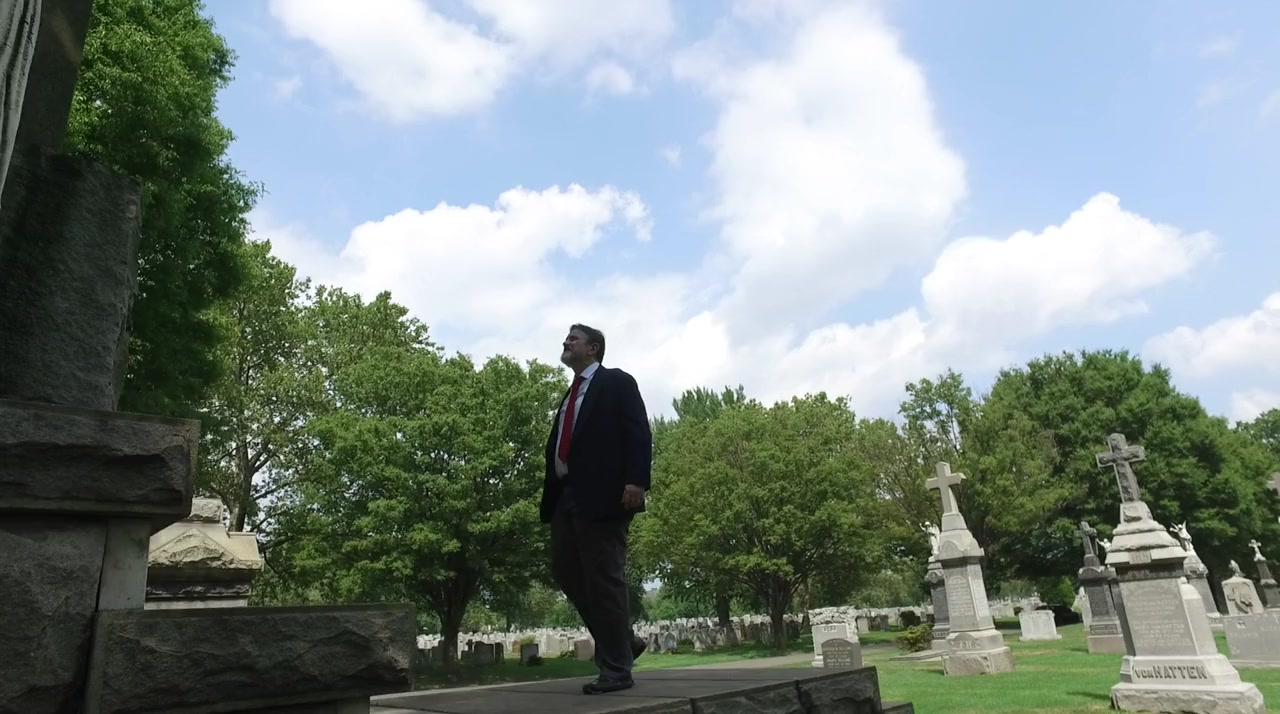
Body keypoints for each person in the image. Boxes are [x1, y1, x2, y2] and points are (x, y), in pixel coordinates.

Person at [541, 323, 652, 694]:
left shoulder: (616, 382)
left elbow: (638, 431)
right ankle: (624, 641)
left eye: (573, 338)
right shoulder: (570, 394)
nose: (565, 342)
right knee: (567, 572)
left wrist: (636, 481)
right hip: (565, 497)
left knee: (604, 578)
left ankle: (616, 670)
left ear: (594, 348)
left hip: (604, 497)